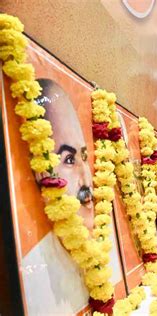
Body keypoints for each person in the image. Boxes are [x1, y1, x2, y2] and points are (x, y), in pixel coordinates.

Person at [22, 79, 122, 314]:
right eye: (68, 159)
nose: (86, 179)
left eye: (84, 157)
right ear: (41, 172)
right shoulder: (32, 275)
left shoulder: (108, 248)